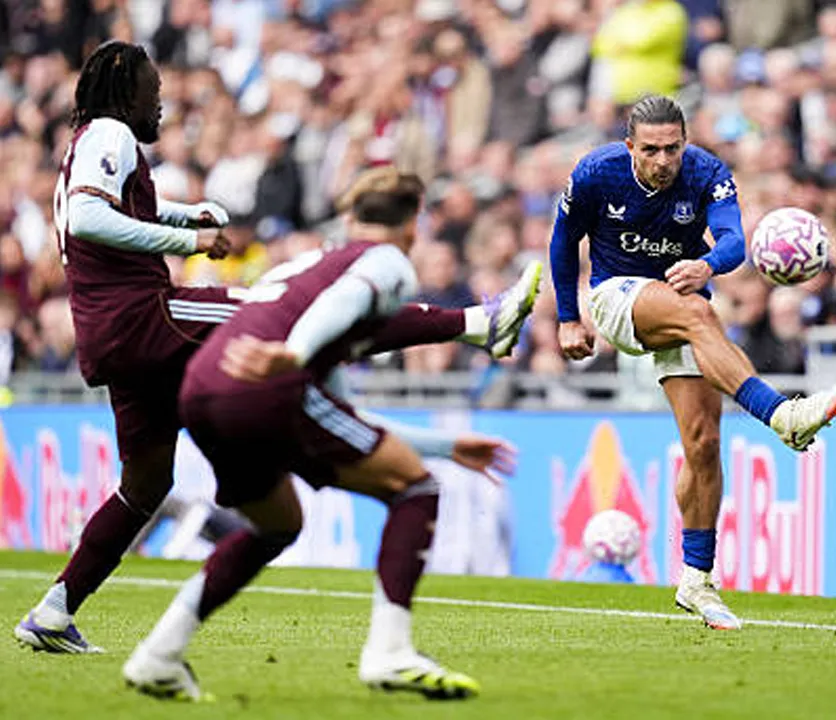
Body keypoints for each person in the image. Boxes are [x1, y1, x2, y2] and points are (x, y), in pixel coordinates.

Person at [15, 42, 539, 655]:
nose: (160, 104)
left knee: (146, 484)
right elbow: (86, 219)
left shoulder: (89, 143)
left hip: (112, 336)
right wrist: (186, 243)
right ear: (125, 90)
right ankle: (477, 322)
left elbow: (110, 210)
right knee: (283, 309)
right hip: (143, 317)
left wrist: (183, 216)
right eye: (153, 91)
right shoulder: (111, 133)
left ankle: (55, 610)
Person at [123, 169, 525, 701]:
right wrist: (294, 355)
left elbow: (342, 415)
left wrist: (447, 447)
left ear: (351, 217)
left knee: (277, 526)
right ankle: (390, 651)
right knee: (416, 487)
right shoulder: (383, 262)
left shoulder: (306, 265)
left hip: (203, 388)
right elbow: (350, 299)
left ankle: (158, 655)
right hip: (266, 382)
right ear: (413, 225)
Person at [550, 95, 836, 630]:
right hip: (616, 296)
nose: (663, 160)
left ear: (685, 143)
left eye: (672, 148)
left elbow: (734, 241)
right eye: (651, 150)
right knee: (697, 313)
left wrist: (707, 264)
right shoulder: (597, 171)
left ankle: (696, 579)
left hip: (684, 300)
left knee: (704, 442)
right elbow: (563, 239)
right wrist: (570, 318)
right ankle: (782, 414)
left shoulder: (707, 172)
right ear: (630, 146)